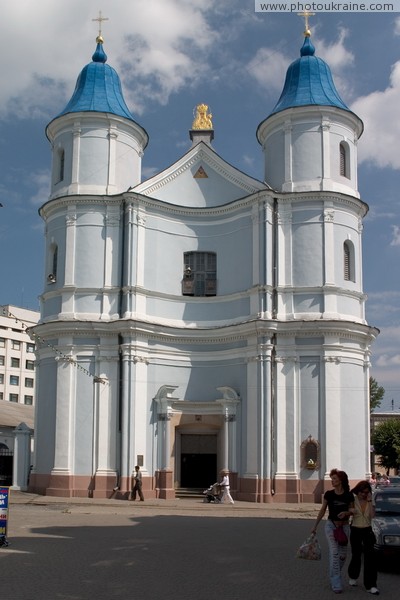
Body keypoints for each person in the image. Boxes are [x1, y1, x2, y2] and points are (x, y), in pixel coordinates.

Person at [311, 469, 354, 594]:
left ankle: (334, 574)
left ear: (341, 480)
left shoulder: (348, 495)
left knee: (342, 556)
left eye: (334, 479)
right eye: (332, 478)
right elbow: (323, 510)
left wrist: (346, 512)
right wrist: (315, 526)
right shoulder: (329, 494)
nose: (332, 481)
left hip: (344, 528)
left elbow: (353, 510)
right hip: (331, 526)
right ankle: (336, 581)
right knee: (334, 553)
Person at [348, 481, 379, 595]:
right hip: (355, 529)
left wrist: (370, 500)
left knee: (370, 557)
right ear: (358, 491)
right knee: (356, 554)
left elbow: (372, 515)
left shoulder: (370, 500)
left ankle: (371, 585)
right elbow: (349, 511)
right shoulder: (353, 499)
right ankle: (353, 575)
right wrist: (351, 510)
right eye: (362, 492)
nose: (363, 494)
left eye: (366, 492)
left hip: (367, 529)